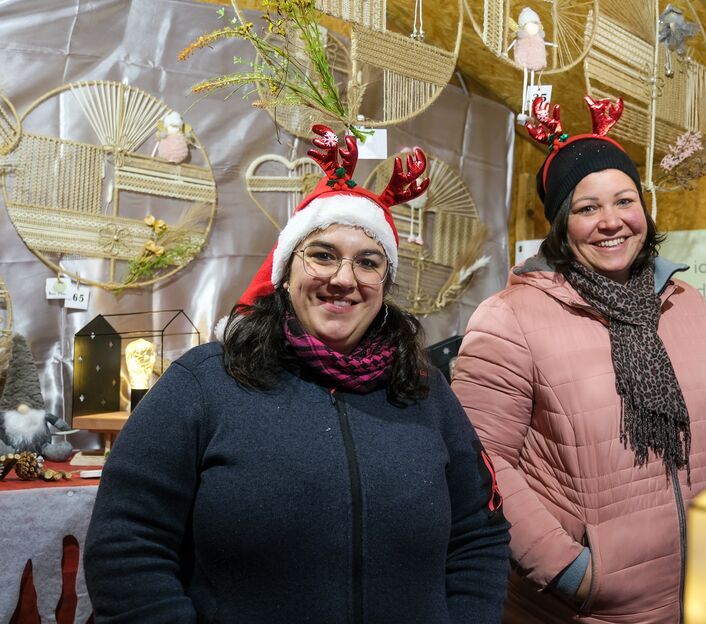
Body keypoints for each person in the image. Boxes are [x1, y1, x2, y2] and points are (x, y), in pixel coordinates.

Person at [84, 125, 511, 624]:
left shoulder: (423, 391)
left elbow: (478, 534)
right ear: (286, 273)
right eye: (323, 255)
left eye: (368, 262)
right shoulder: (204, 384)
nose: (343, 279)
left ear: (384, 284)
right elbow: (126, 543)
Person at [451, 96, 706, 624]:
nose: (611, 222)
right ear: (560, 224)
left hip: (704, 594)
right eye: (587, 207)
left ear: (644, 209)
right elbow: (480, 460)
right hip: (589, 608)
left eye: (624, 201)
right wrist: (571, 571)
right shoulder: (510, 318)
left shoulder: (687, 304)